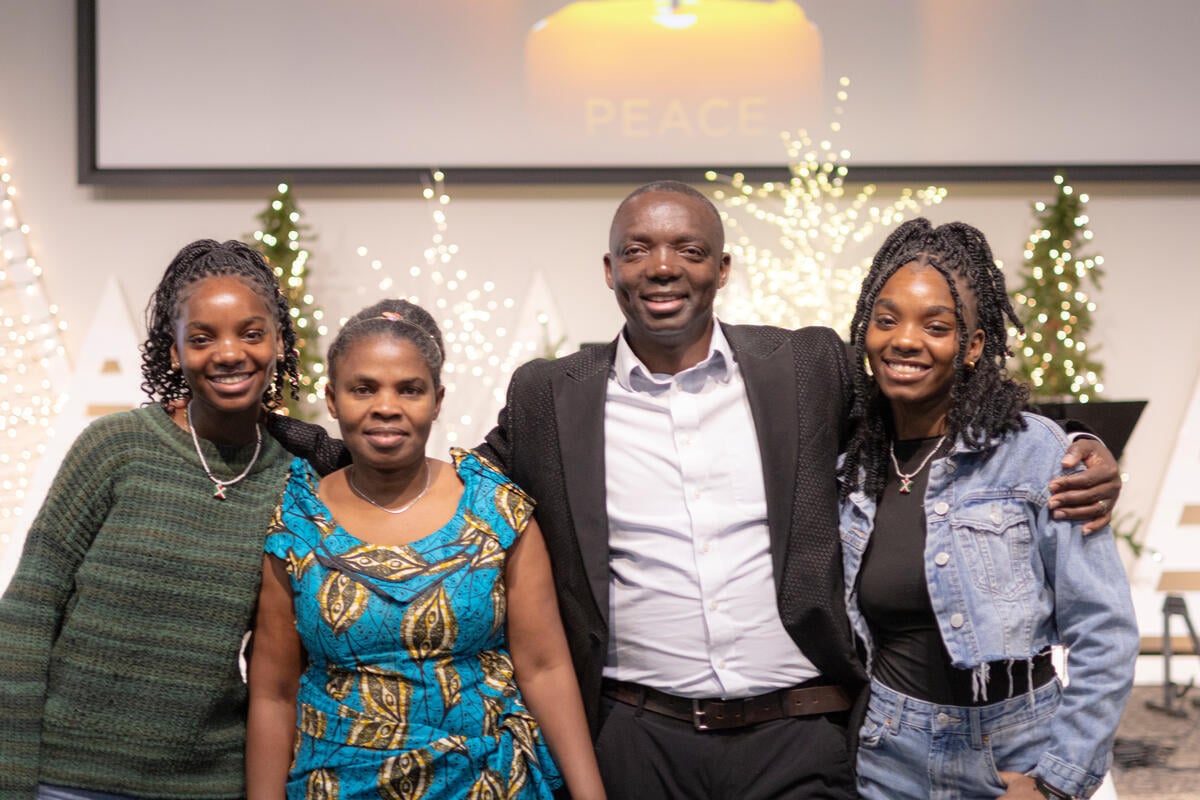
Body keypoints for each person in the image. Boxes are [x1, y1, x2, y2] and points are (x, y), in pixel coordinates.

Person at [269, 182, 1121, 800]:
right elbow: (447, 465)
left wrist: (1075, 447)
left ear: (722, 267)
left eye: (687, 248)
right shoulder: (550, 394)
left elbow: (928, 405)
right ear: (609, 270)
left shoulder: (805, 366)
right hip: (638, 737)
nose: (662, 265)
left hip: (801, 732)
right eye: (639, 249)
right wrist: (296, 444)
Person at [246, 300, 604, 800]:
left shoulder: (494, 509)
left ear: (437, 400)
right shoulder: (297, 519)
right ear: (331, 399)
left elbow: (545, 668)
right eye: (363, 388)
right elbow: (273, 692)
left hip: (487, 781)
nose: (386, 406)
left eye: (409, 389)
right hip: (338, 783)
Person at [838, 219, 1137, 800]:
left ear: (973, 346)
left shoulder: (1034, 453)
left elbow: (1105, 629)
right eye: (887, 319)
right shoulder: (848, 461)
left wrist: (1055, 781)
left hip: (1016, 748)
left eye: (937, 326)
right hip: (885, 751)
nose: (905, 339)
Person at [0, 240, 301, 800]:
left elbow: (282, 664)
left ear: (279, 342)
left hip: (209, 782)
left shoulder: (296, 478)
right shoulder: (116, 448)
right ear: (173, 352)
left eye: (251, 333)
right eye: (203, 337)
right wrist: (11, 781)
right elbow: (26, 612)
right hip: (65, 779)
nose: (229, 353)